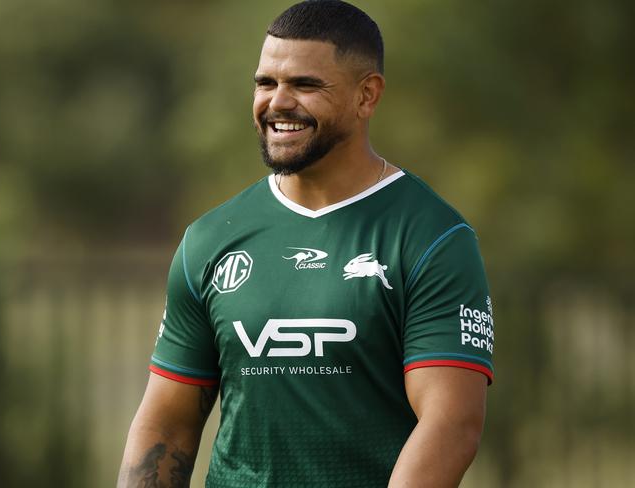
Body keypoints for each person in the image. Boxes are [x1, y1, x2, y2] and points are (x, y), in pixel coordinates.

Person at [117, 1, 495, 487]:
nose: (278, 102)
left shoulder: (432, 237)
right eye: (266, 83)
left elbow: (452, 426)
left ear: (367, 96)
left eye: (305, 85)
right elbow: (166, 423)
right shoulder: (210, 239)